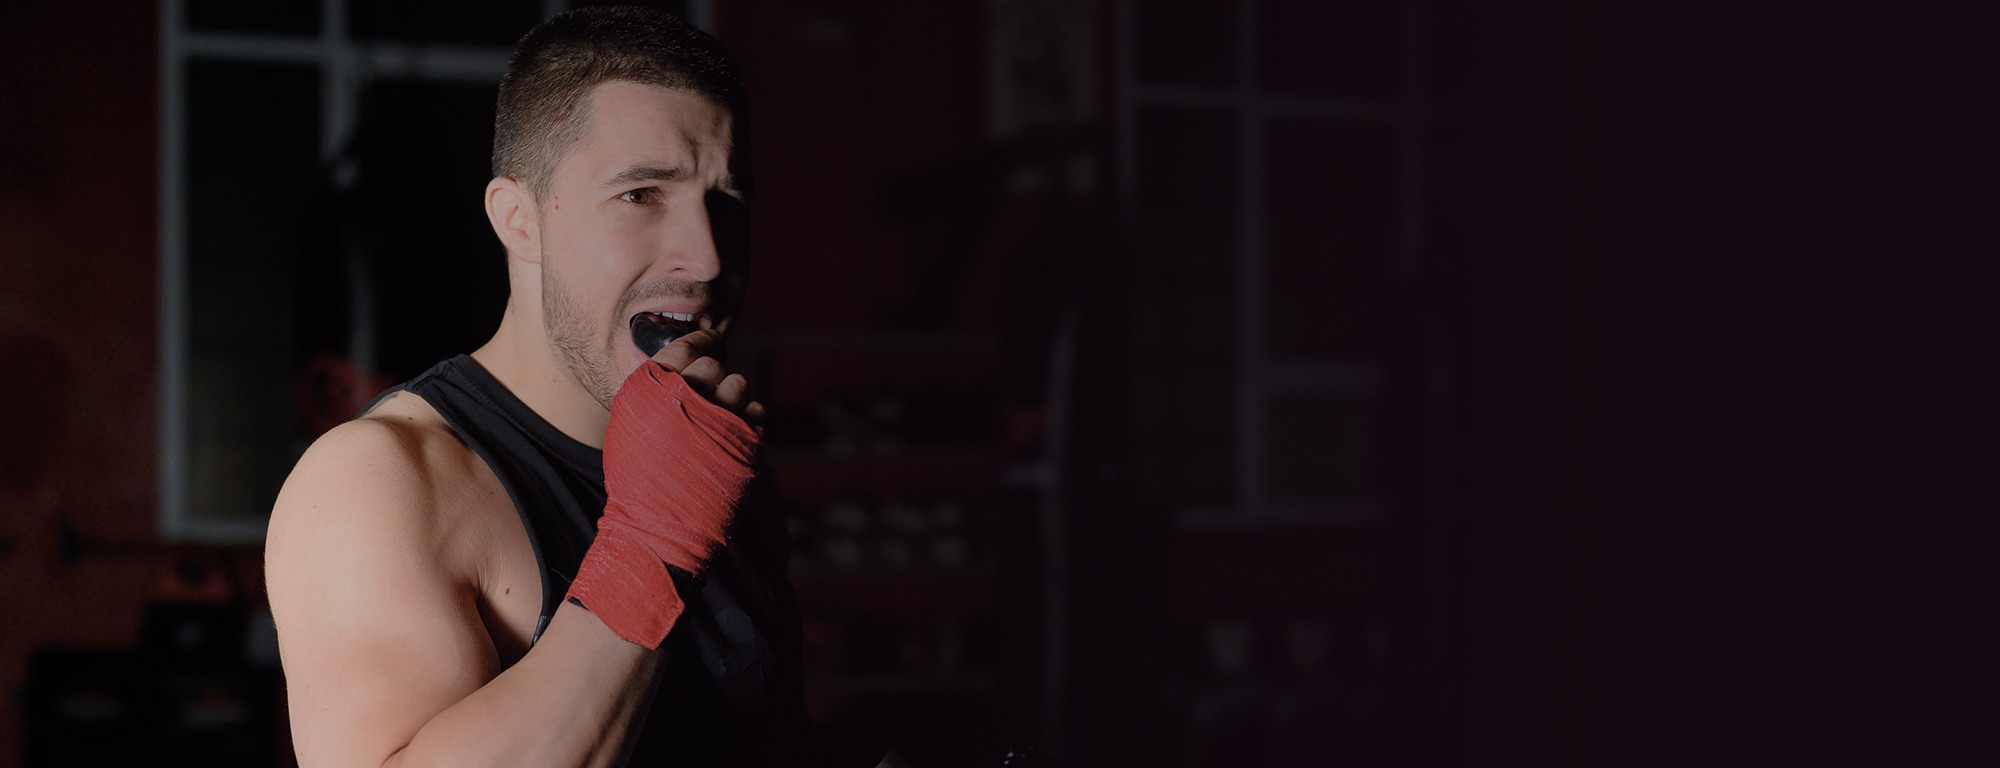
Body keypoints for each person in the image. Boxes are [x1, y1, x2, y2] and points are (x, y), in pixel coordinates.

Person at [265, 8, 810, 766]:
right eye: (642, 194)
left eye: (726, 200)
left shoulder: (721, 464)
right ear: (518, 220)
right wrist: (651, 547)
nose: (708, 256)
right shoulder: (379, 482)